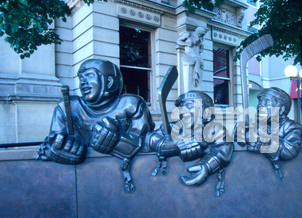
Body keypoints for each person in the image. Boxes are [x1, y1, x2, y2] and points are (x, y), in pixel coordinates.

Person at [36, 59, 155, 192]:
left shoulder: (131, 105)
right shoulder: (67, 107)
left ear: (109, 82)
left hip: (126, 182)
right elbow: (50, 143)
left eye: (89, 75)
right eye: (81, 78)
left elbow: (146, 144)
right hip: (81, 183)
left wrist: (118, 141)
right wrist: (57, 149)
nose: (83, 83)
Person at [144, 90, 233, 196]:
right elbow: (150, 138)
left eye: (189, 106)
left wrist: (206, 166)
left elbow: (223, 150)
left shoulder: (216, 130)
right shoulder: (171, 128)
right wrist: (173, 145)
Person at [245, 87, 302, 179]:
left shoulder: (291, 127)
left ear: (281, 109)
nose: (260, 105)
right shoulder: (255, 125)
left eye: (267, 102)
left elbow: (289, 151)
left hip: (283, 177)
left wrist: (263, 140)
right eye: (260, 101)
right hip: (256, 174)